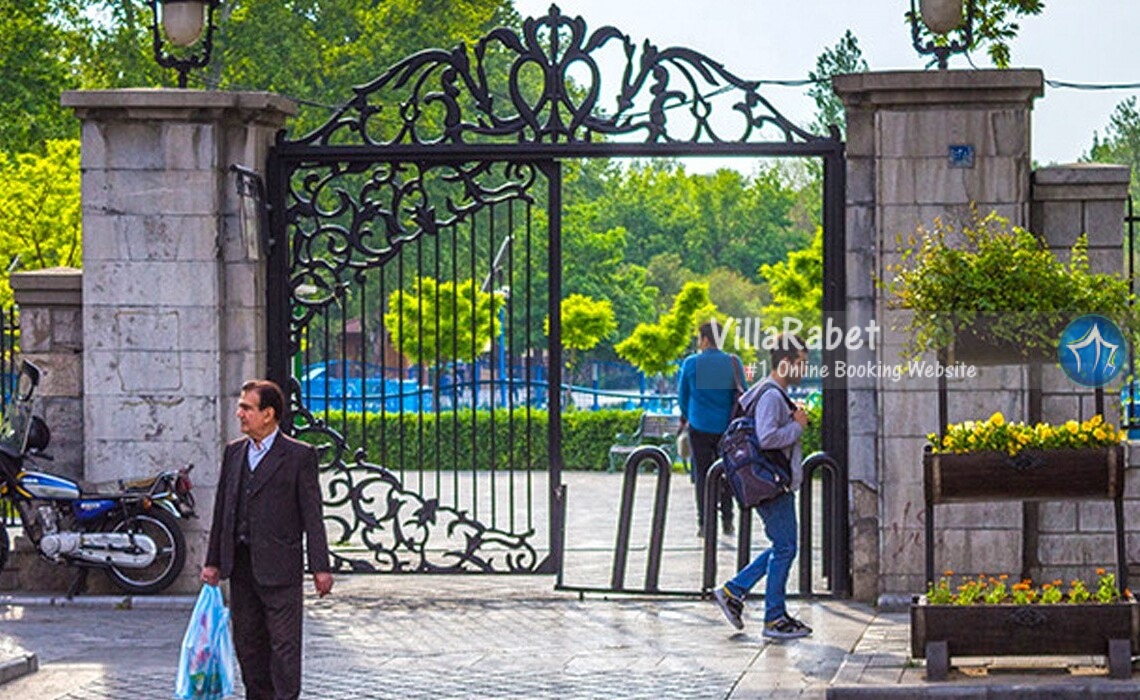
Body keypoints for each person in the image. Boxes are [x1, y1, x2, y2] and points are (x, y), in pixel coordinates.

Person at [201, 379, 333, 700]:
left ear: (268, 414)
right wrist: (213, 561)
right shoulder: (234, 453)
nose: (239, 413)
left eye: (247, 407)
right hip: (242, 565)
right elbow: (223, 509)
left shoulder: (299, 456)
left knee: (284, 646)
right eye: (240, 406)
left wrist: (320, 568)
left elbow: (312, 516)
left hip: (280, 567)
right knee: (247, 643)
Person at [711, 333, 813, 640]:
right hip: (772, 483)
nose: (803, 370)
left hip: (769, 481)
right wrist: (798, 426)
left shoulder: (767, 392)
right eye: (800, 364)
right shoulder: (770, 395)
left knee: (782, 546)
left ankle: (735, 591)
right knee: (785, 548)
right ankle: (773, 618)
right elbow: (768, 437)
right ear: (786, 363)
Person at [678, 321, 745, 537]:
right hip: (726, 429)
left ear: (705, 339)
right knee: (726, 472)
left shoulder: (690, 364)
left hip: (699, 427)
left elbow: (682, 399)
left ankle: (704, 523)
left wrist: (692, 416)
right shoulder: (733, 363)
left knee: (702, 475)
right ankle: (727, 519)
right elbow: (744, 393)